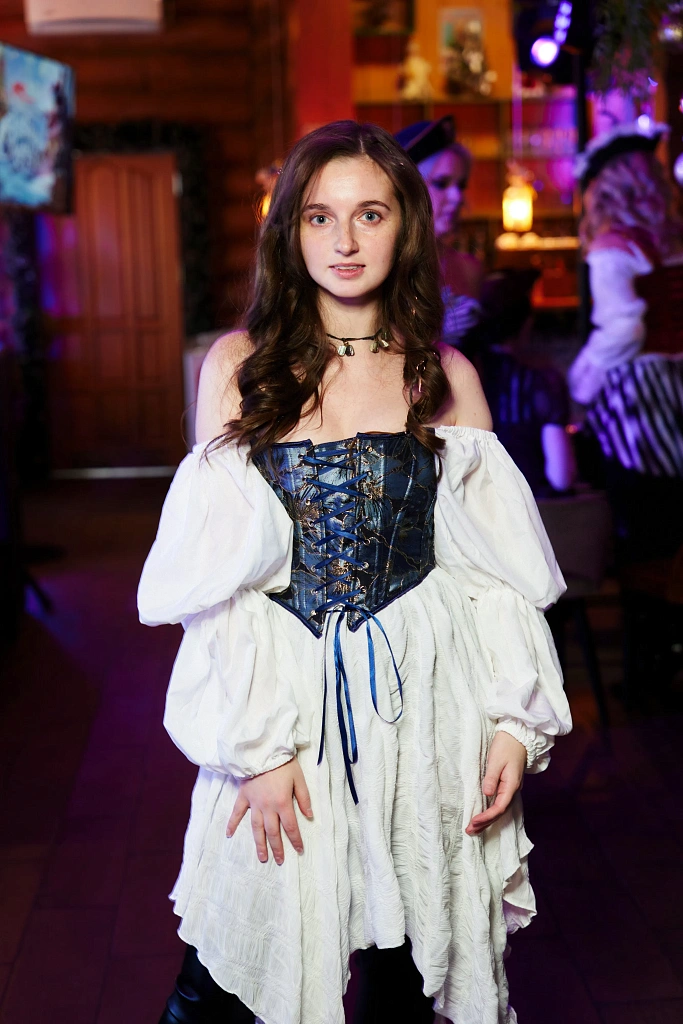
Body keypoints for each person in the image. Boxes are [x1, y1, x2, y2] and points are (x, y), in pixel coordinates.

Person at [138, 120, 572, 1024]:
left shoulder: (443, 374)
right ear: (289, 232)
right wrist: (257, 751)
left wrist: (509, 721)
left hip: (428, 701)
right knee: (224, 976)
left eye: (368, 214)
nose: (343, 240)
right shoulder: (240, 366)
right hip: (285, 705)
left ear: (403, 225)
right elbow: (222, 583)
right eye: (318, 217)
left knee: (403, 970)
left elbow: (490, 574)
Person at [568, 120, 683, 561]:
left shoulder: (614, 246)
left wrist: (582, 383)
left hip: (642, 394)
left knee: (642, 520)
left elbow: (624, 329)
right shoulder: (672, 236)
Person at [475, 268, 577, 498]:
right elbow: (561, 477)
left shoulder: (463, 376)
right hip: (529, 506)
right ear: (526, 324)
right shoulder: (541, 381)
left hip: (472, 509)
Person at [396, 115, 484, 348]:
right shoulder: (383, 268)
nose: (457, 197)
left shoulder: (468, 268)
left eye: (461, 185)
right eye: (441, 183)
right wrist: (436, 335)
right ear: (408, 190)